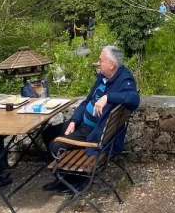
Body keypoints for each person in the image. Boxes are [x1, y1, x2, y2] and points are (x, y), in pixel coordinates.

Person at [41, 45, 140, 193]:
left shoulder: (124, 79)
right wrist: (74, 121)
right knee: (48, 133)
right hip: (82, 124)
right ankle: (62, 178)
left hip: (94, 132)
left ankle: (73, 182)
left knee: (55, 145)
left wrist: (108, 97)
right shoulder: (103, 78)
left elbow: (134, 98)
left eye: (101, 61)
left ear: (112, 64)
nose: (98, 63)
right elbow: (87, 101)